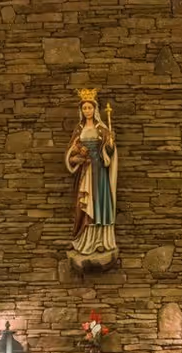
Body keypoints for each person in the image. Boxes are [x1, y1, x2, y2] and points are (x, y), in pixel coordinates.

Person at [66, 89, 118, 256]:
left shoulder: (102, 129)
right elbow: (70, 151)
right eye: (84, 108)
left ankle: (100, 241)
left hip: (99, 170)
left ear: (94, 109)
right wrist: (76, 155)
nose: (87, 111)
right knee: (84, 204)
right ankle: (83, 239)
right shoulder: (79, 129)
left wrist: (109, 144)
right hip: (84, 170)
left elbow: (109, 152)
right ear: (81, 110)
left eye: (89, 107)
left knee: (99, 203)